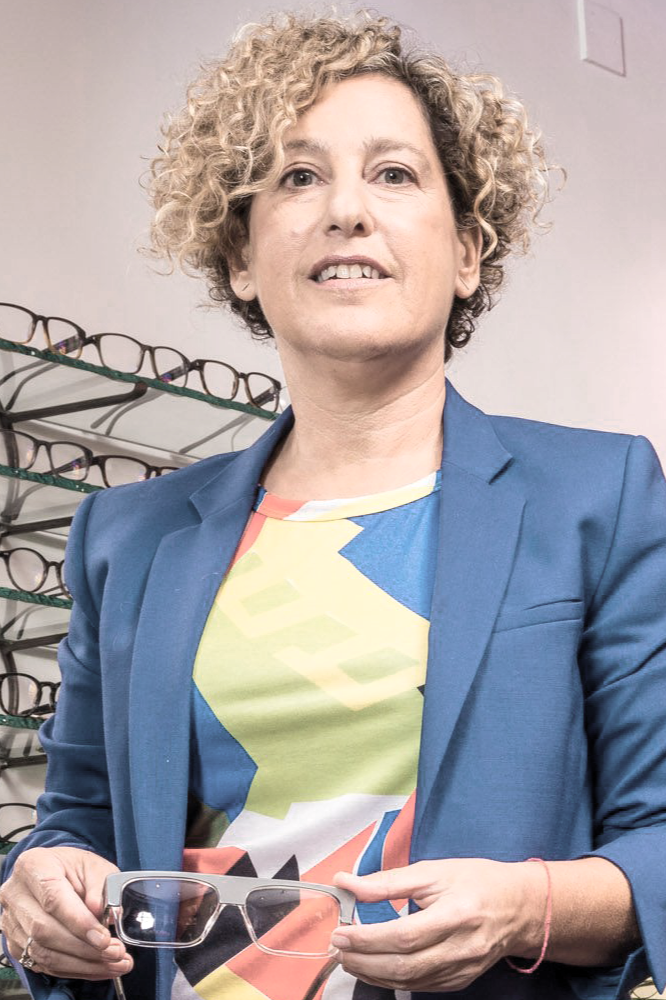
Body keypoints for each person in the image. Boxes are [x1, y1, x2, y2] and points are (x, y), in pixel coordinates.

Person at [1, 9, 665, 1000]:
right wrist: (36, 884)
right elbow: (77, 825)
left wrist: (527, 907)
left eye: (394, 174)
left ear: (470, 250)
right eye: (299, 176)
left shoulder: (596, 497)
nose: (345, 210)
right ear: (238, 257)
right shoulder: (126, 536)